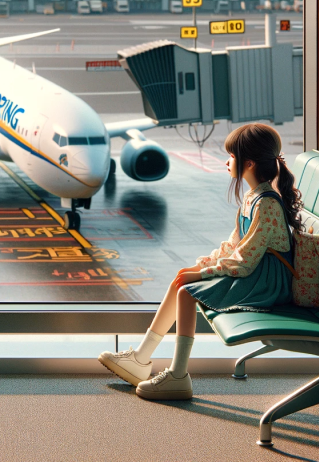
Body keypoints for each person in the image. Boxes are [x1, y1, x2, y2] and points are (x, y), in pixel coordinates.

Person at [98, 123, 303, 400]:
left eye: (232, 156)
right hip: (256, 272)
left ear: (250, 163)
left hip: (268, 282)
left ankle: (178, 375)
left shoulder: (267, 204)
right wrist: (201, 266)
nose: (227, 161)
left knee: (186, 292)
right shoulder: (253, 197)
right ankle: (140, 358)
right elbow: (233, 245)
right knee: (181, 278)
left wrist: (204, 275)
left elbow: (244, 260)